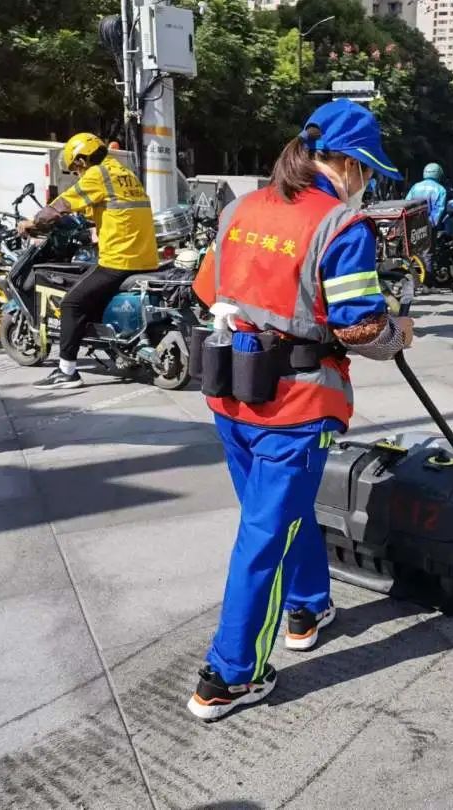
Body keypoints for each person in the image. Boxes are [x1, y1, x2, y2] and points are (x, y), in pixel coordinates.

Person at [186, 99, 415, 722]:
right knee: (265, 533)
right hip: (297, 406)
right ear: (349, 163)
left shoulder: (240, 209)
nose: (367, 182)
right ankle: (230, 676)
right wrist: (400, 331)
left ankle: (308, 606)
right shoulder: (342, 227)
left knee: (278, 516)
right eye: (367, 170)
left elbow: (207, 290)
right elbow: (360, 328)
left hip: (233, 392)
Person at [19, 132, 158, 389]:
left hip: (120, 260)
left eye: (76, 169)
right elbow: (99, 209)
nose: (77, 174)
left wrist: (33, 222)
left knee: (71, 303)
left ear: (82, 160)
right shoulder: (124, 174)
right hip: (146, 258)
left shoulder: (97, 174)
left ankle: (67, 371)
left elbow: (62, 204)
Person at [405, 163, 448, 227]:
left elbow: (406, 204)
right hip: (429, 226)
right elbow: (439, 209)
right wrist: (430, 225)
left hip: (412, 224)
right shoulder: (441, 189)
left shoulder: (415, 186)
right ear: (439, 174)